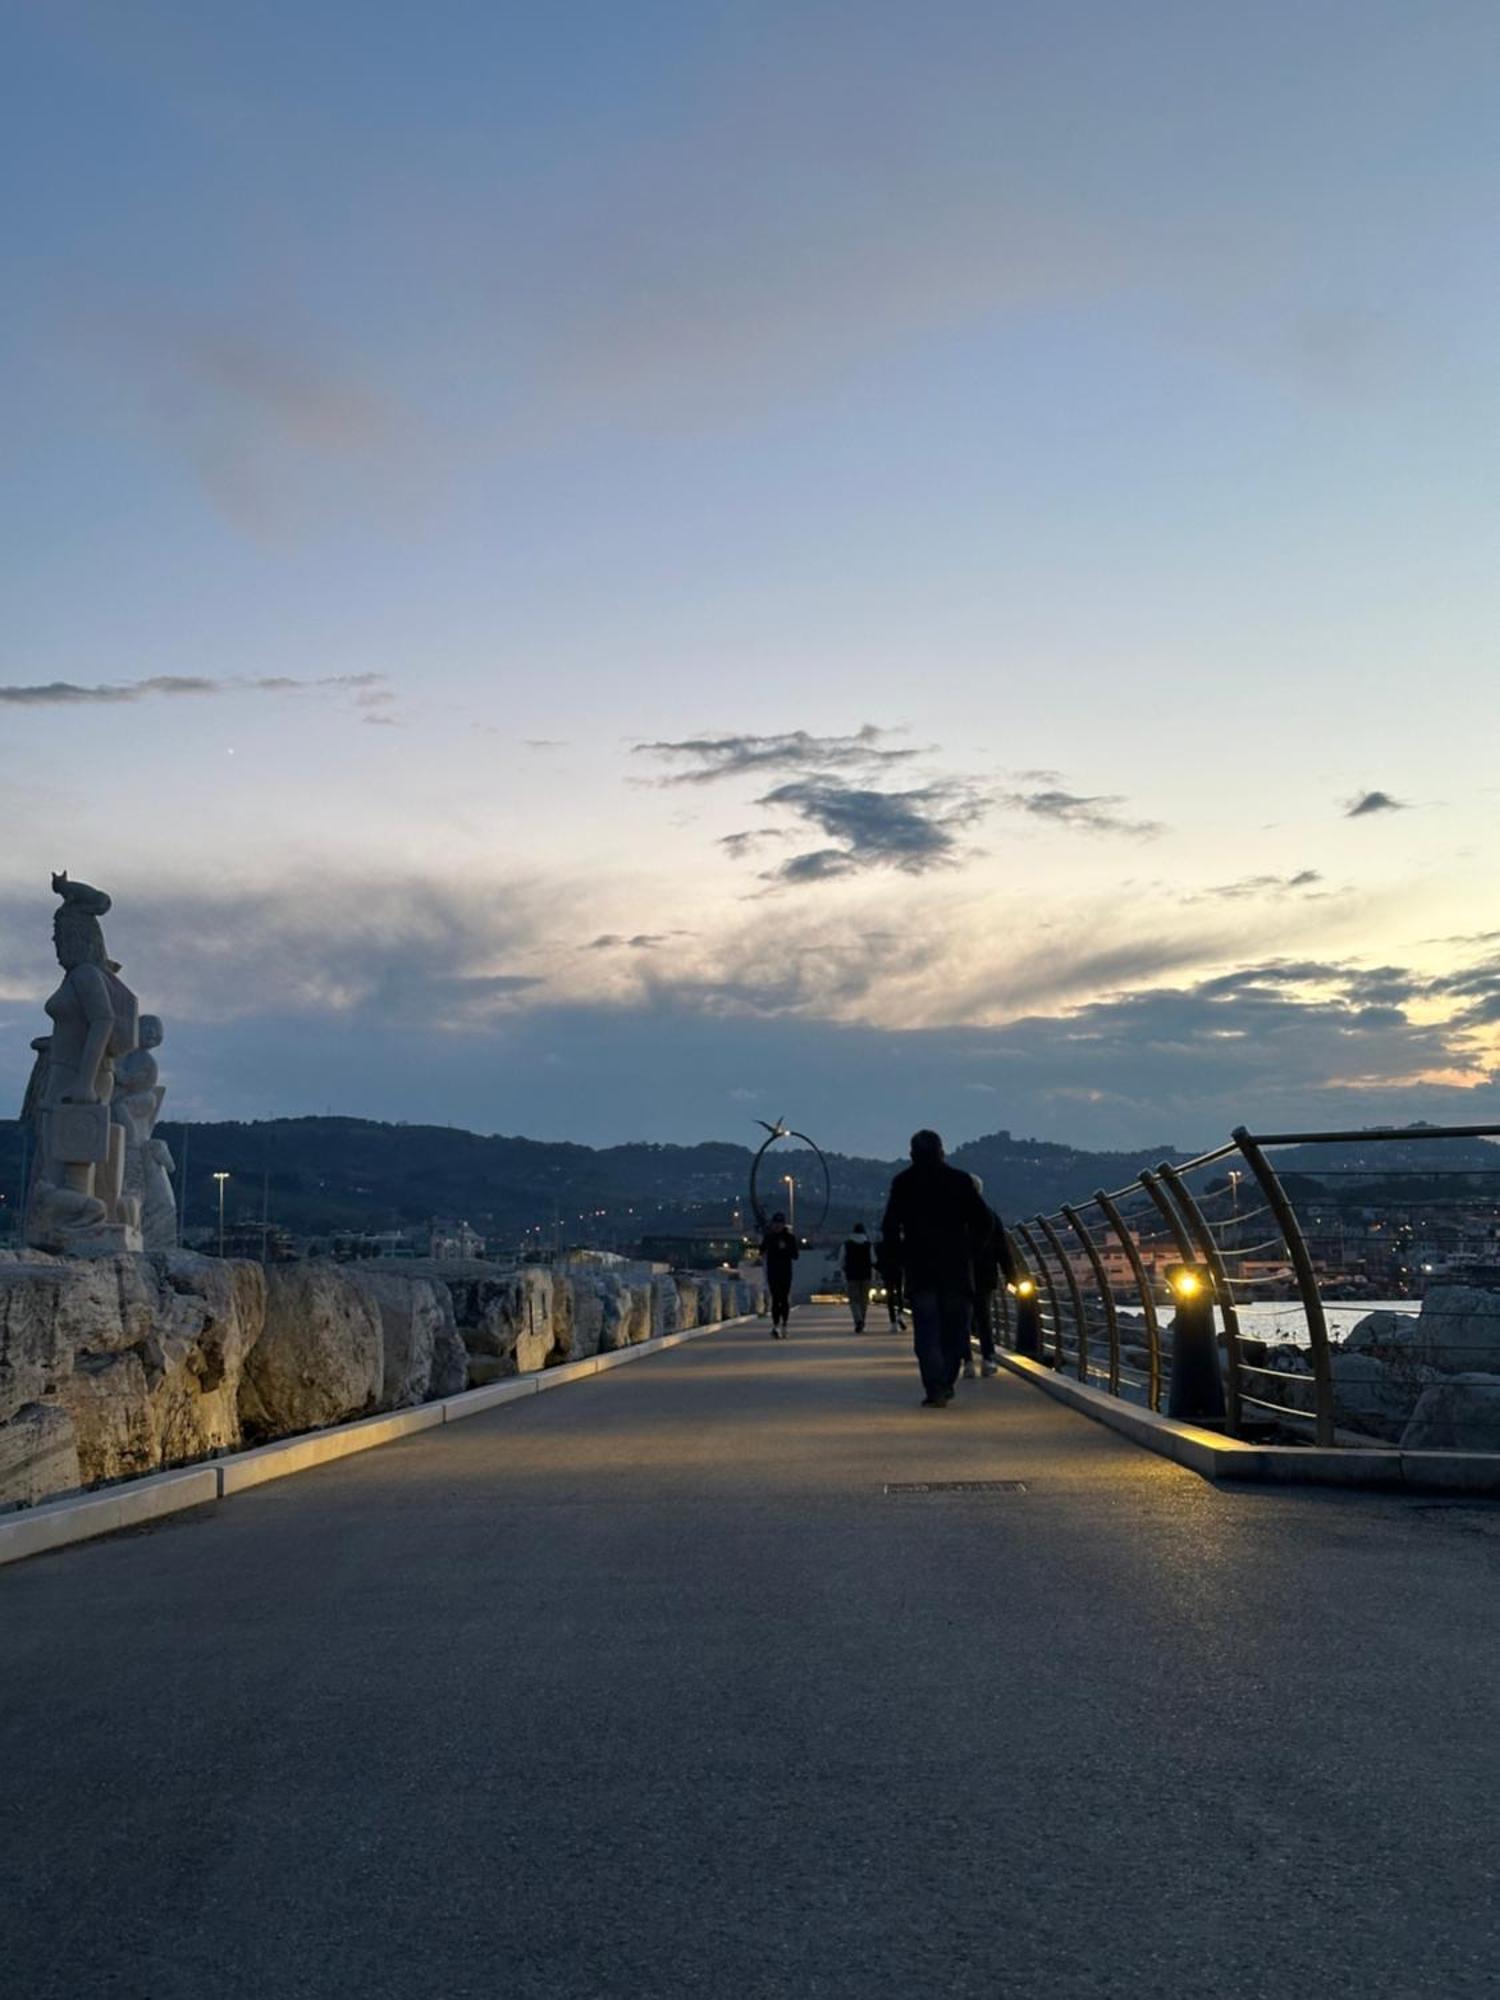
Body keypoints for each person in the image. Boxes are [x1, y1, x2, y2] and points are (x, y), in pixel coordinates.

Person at [880, 1129, 994, 1407]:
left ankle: (934, 1386)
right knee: (956, 1329)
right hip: (955, 1268)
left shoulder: (903, 1183)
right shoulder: (960, 1181)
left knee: (927, 1331)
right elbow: (985, 1221)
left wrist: (898, 1258)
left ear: (911, 1154)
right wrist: (971, 1251)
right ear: (942, 1152)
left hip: (920, 1269)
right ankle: (945, 1379)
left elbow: (890, 1227)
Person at [961, 1184, 1016, 1379]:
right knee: (985, 1317)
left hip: (960, 1275)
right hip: (986, 1274)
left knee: (963, 1318)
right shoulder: (991, 1216)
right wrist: (1011, 1277)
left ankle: (967, 1361)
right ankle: (988, 1358)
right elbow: (1003, 1249)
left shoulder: (954, 1217)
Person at [760, 1210, 799, 1338]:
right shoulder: (769, 1237)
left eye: (780, 1223)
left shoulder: (789, 1238)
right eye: (775, 1223)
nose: (777, 1226)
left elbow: (795, 1255)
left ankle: (784, 1324)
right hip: (772, 1272)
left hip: (785, 1272)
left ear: (783, 1224)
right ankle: (776, 1325)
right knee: (776, 1299)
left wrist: (785, 1248)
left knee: (784, 1299)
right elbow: (761, 1250)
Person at [840, 1221, 874, 1332]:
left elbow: (841, 1261)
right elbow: (874, 1260)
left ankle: (858, 1319)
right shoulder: (868, 1245)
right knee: (864, 1300)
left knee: (854, 1300)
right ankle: (862, 1320)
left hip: (852, 1276)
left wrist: (844, 1270)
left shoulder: (847, 1244)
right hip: (866, 1275)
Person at [875, 1227, 906, 1332]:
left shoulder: (881, 1246)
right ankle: (900, 1314)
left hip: (887, 1272)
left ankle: (893, 1323)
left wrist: (881, 1270)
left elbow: (876, 1261)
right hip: (898, 1271)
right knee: (899, 1294)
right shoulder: (901, 1244)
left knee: (890, 1296)